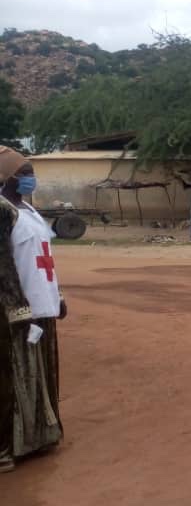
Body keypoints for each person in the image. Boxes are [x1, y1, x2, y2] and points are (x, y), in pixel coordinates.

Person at [0, 146, 65, 472]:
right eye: (23, 174)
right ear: (6, 177)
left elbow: (45, 257)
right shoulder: (2, 211)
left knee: (42, 372)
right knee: (16, 376)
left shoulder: (29, 210)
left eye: (30, 173)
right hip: (18, 308)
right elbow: (4, 265)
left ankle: (41, 436)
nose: (30, 179)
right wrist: (18, 308)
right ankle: (10, 445)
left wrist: (59, 296)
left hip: (44, 303)